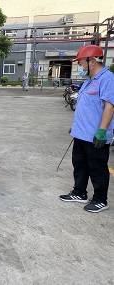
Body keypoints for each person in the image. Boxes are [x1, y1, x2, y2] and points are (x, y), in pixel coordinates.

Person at [60, 45, 114, 213]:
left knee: (97, 167)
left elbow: (109, 106)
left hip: (95, 135)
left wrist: (102, 131)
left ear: (91, 61)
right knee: (79, 164)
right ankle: (79, 192)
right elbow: (85, 107)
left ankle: (100, 199)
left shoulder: (107, 78)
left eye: (81, 63)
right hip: (81, 134)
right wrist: (76, 127)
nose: (80, 67)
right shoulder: (89, 81)